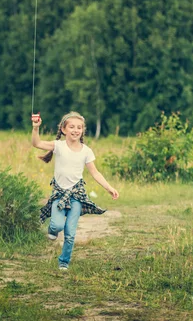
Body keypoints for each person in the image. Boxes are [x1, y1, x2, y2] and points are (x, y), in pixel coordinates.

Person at [31, 111, 119, 271]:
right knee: (57, 226)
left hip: (76, 196)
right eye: (71, 127)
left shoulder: (86, 151)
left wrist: (109, 188)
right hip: (59, 194)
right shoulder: (59, 146)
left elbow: (95, 172)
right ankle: (52, 229)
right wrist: (36, 128)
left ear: (83, 130)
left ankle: (64, 262)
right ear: (64, 129)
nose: (75, 130)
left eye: (79, 127)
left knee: (70, 234)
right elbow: (36, 143)